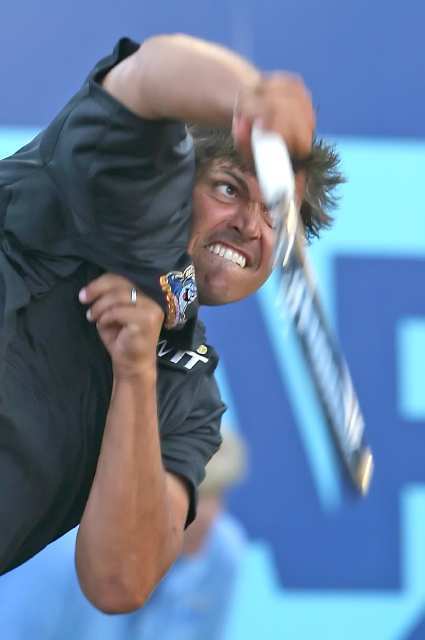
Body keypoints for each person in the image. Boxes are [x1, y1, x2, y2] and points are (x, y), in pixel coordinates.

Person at [0, 34, 343, 612]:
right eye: (230, 189)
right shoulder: (109, 190)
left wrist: (135, 376)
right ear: (176, 174)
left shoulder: (189, 399)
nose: (250, 227)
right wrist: (251, 95)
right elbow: (147, 73)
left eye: (275, 218)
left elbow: (117, 582)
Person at [0, 430, 248, 640]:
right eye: (194, 493)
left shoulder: (221, 551)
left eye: (219, 494)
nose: (209, 515)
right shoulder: (61, 553)